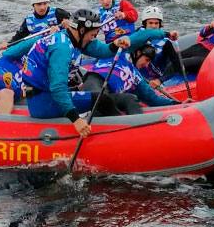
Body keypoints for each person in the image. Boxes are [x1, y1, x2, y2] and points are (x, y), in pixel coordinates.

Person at [20, 9, 132, 137]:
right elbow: (58, 87)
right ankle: (120, 136)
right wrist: (76, 120)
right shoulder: (62, 49)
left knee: (100, 99)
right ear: (82, 30)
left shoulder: (73, 37)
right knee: (101, 100)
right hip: (44, 103)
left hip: (46, 94)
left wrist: (116, 43)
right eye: (93, 35)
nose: (93, 39)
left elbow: (102, 50)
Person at [82, 44, 178, 115]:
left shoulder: (136, 76)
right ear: (138, 53)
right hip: (94, 84)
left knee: (129, 98)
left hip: (108, 96)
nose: (147, 65)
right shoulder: (118, 51)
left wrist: (176, 104)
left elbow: (152, 99)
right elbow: (136, 37)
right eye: (147, 60)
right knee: (102, 101)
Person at [134, 6, 181, 88]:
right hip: (136, 76)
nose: (154, 26)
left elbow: (176, 65)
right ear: (145, 24)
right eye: (150, 23)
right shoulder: (137, 34)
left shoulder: (166, 43)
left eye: (156, 23)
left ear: (160, 24)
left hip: (155, 81)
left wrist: (160, 80)